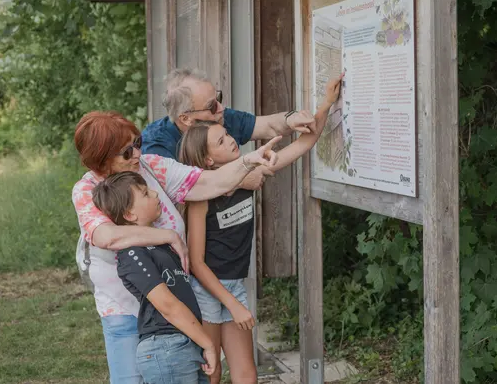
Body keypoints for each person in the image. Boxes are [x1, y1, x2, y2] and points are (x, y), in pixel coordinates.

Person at [71, 110, 279, 384]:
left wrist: (247, 162)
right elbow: (108, 236)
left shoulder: (151, 166)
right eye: (125, 151)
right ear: (100, 161)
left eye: (138, 142)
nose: (136, 154)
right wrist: (167, 236)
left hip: (174, 312)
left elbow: (209, 182)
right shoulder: (87, 190)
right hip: (125, 311)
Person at [178, 74, 343, 384]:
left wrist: (327, 102)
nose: (231, 140)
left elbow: (305, 142)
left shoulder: (251, 172)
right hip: (208, 291)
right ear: (209, 159)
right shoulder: (201, 197)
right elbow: (197, 264)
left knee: (247, 375)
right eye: (222, 141)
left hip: (234, 286)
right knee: (211, 373)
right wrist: (233, 305)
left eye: (227, 134)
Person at [92, 172, 216, 384]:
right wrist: (208, 343)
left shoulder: (161, 246)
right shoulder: (132, 253)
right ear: (130, 214)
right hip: (167, 348)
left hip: (184, 343)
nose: (155, 194)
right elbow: (167, 305)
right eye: (145, 193)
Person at [141, 68, 318, 190]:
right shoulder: (155, 146)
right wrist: (239, 178)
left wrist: (292, 118)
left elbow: (268, 126)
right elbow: (175, 188)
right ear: (186, 118)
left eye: (219, 97)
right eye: (211, 105)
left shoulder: (218, 116)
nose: (221, 107)